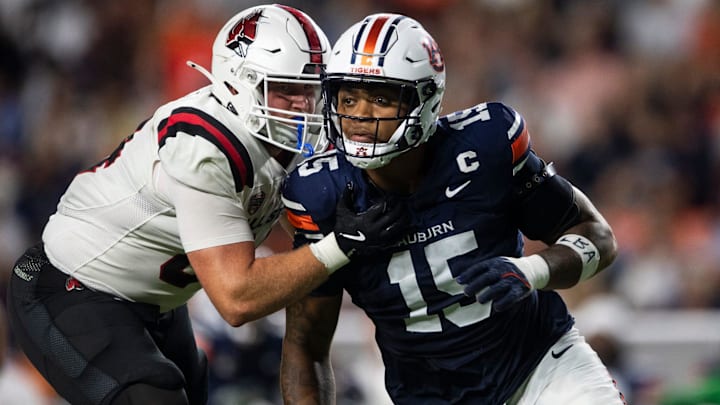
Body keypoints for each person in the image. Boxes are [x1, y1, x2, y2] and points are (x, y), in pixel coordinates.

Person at [5, 5, 406, 405]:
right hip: (66, 287)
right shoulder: (204, 148)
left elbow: (313, 248)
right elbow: (237, 298)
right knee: (154, 397)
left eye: (314, 89)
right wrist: (342, 244)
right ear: (239, 84)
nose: (305, 105)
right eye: (288, 90)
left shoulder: (290, 143)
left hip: (154, 303)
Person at [280, 13, 627, 405]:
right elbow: (305, 347)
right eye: (348, 97)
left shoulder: (485, 147)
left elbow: (598, 237)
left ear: (424, 99)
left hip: (542, 369)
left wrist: (533, 270)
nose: (359, 113)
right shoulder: (320, 192)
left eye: (380, 97)